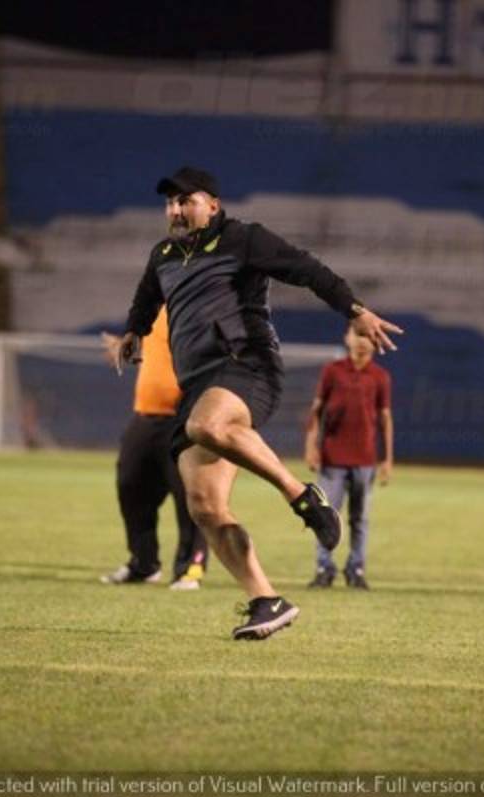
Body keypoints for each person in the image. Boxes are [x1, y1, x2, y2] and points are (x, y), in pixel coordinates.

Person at [113, 166, 403, 640]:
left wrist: (354, 308)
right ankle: (267, 601)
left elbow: (307, 269)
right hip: (198, 386)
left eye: (186, 201)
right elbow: (146, 299)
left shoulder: (242, 239)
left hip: (246, 366)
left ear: (212, 204)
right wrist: (133, 332)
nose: (176, 210)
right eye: (170, 203)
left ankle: (303, 495)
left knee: (207, 427)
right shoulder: (163, 255)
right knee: (205, 507)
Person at [100, 305, 209, 590]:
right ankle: (144, 563)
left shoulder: (201, 306)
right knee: (131, 486)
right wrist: (127, 350)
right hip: (146, 415)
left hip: (184, 418)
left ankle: (190, 568)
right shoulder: (155, 309)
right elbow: (157, 353)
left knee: (189, 497)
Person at [304, 322, 394, 590]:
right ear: (347, 337)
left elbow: (385, 418)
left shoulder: (380, 376)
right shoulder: (332, 371)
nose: (362, 341)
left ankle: (356, 568)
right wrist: (311, 446)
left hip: (365, 460)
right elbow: (316, 410)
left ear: (375, 342)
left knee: (359, 519)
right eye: (358, 334)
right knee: (325, 516)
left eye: (368, 336)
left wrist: (387, 458)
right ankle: (324, 568)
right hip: (332, 459)